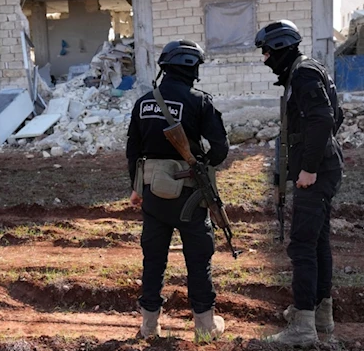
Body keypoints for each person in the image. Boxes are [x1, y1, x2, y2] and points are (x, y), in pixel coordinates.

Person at [126, 39, 229, 341]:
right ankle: (205, 327)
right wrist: (203, 164)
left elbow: (133, 150)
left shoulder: (143, 102)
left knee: (153, 260)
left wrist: (135, 188)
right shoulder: (200, 101)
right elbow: (220, 148)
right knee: (198, 258)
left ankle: (149, 326)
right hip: (190, 197)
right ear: (193, 68)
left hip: (153, 194)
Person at [254, 20, 344, 346]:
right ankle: (321, 318)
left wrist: (308, 167)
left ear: (279, 48)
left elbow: (323, 118)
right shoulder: (306, 70)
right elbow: (336, 114)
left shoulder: (303, 73)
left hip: (316, 173)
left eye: (266, 51)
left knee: (303, 246)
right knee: (318, 243)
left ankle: (304, 328)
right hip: (323, 167)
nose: (264, 59)